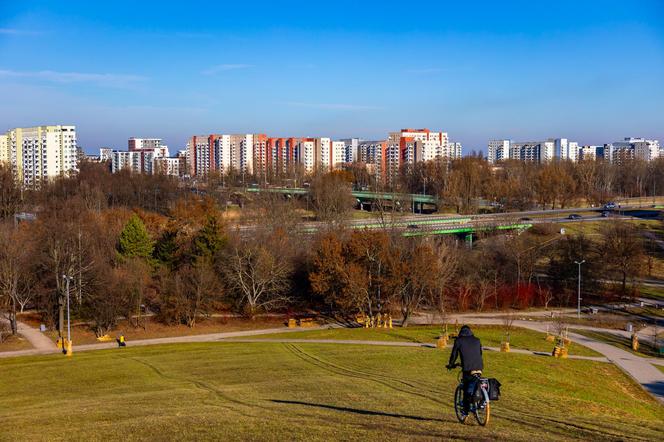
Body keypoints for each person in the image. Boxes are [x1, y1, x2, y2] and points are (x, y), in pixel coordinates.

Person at [446, 325, 483, 420]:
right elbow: (480, 353)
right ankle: (479, 404)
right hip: (479, 367)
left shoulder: (459, 341)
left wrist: (451, 364)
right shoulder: (477, 340)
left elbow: (454, 354)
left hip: (467, 369)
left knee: (466, 389)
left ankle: (465, 412)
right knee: (476, 384)